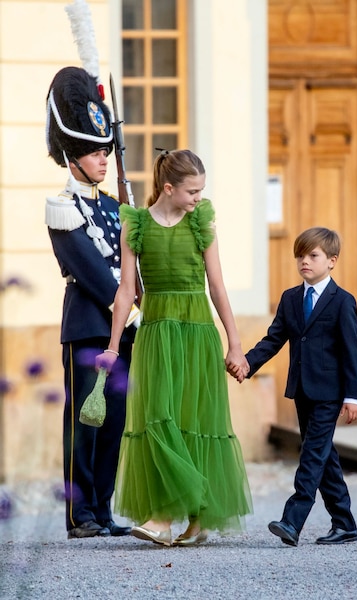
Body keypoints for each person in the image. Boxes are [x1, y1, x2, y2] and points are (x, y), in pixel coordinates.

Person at [96, 149, 253, 546]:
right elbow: (126, 291)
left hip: (197, 331)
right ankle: (165, 516)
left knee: (196, 421)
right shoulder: (135, 225)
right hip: (155, 334)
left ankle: (191, 521)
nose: (198, 197)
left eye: (201, 190)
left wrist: (235, 346)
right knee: (159, 418)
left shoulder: (202, 223)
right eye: (192, 191)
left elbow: (217, 287)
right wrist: (113, 347)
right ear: (168, 188)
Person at [45, 66, 136, 539]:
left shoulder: (111, 205)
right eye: (94, 153)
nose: (103, 160)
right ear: (73, 158)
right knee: (85, 422)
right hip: (88, 327)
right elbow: (95, 274)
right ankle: (80, 515)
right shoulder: (61, 206)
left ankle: (102, 509)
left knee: (114, 421)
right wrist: (130, 308)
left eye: (105, 151)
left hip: (121, 330)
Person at [240, 227, 357, 547]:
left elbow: (352, 352)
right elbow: (274, 338)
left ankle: (292, 521)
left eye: (313, 255)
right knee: (324, 455)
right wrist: (248, 364)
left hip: (330, 393)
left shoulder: (342, 301)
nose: (304, 261)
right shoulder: (291, 298)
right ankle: (345, 523)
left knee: (311, 454)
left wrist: (353, 396)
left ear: (332, 261)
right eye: (300, 256)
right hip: (302, 390)